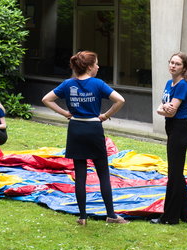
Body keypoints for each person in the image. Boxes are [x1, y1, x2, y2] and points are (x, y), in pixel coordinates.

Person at [42, 50, 128, 226]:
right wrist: (104, 116)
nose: (98, 66)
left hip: (75, 129)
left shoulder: (68, 84)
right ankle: (111, 215)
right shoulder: (98, 84)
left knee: (80, 175)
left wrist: (66, 113)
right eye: (96, 64)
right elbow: (120, 100)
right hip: (93, 129)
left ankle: (82, 217)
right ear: (89, 67)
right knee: (103, 174)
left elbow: (46, 99)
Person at [151, 52, 187, 225]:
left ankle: (170, 217)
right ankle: (186, 214)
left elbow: (172, 110)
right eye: (171, 62)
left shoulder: (183, 85)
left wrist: (163, 108)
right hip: (172, 129)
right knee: (176, 174)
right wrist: (163, 108)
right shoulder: (169, 83)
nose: (173, 66)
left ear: (184, 68)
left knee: (174, 175)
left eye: (177, 64)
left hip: (179, 130)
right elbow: (162, 107)